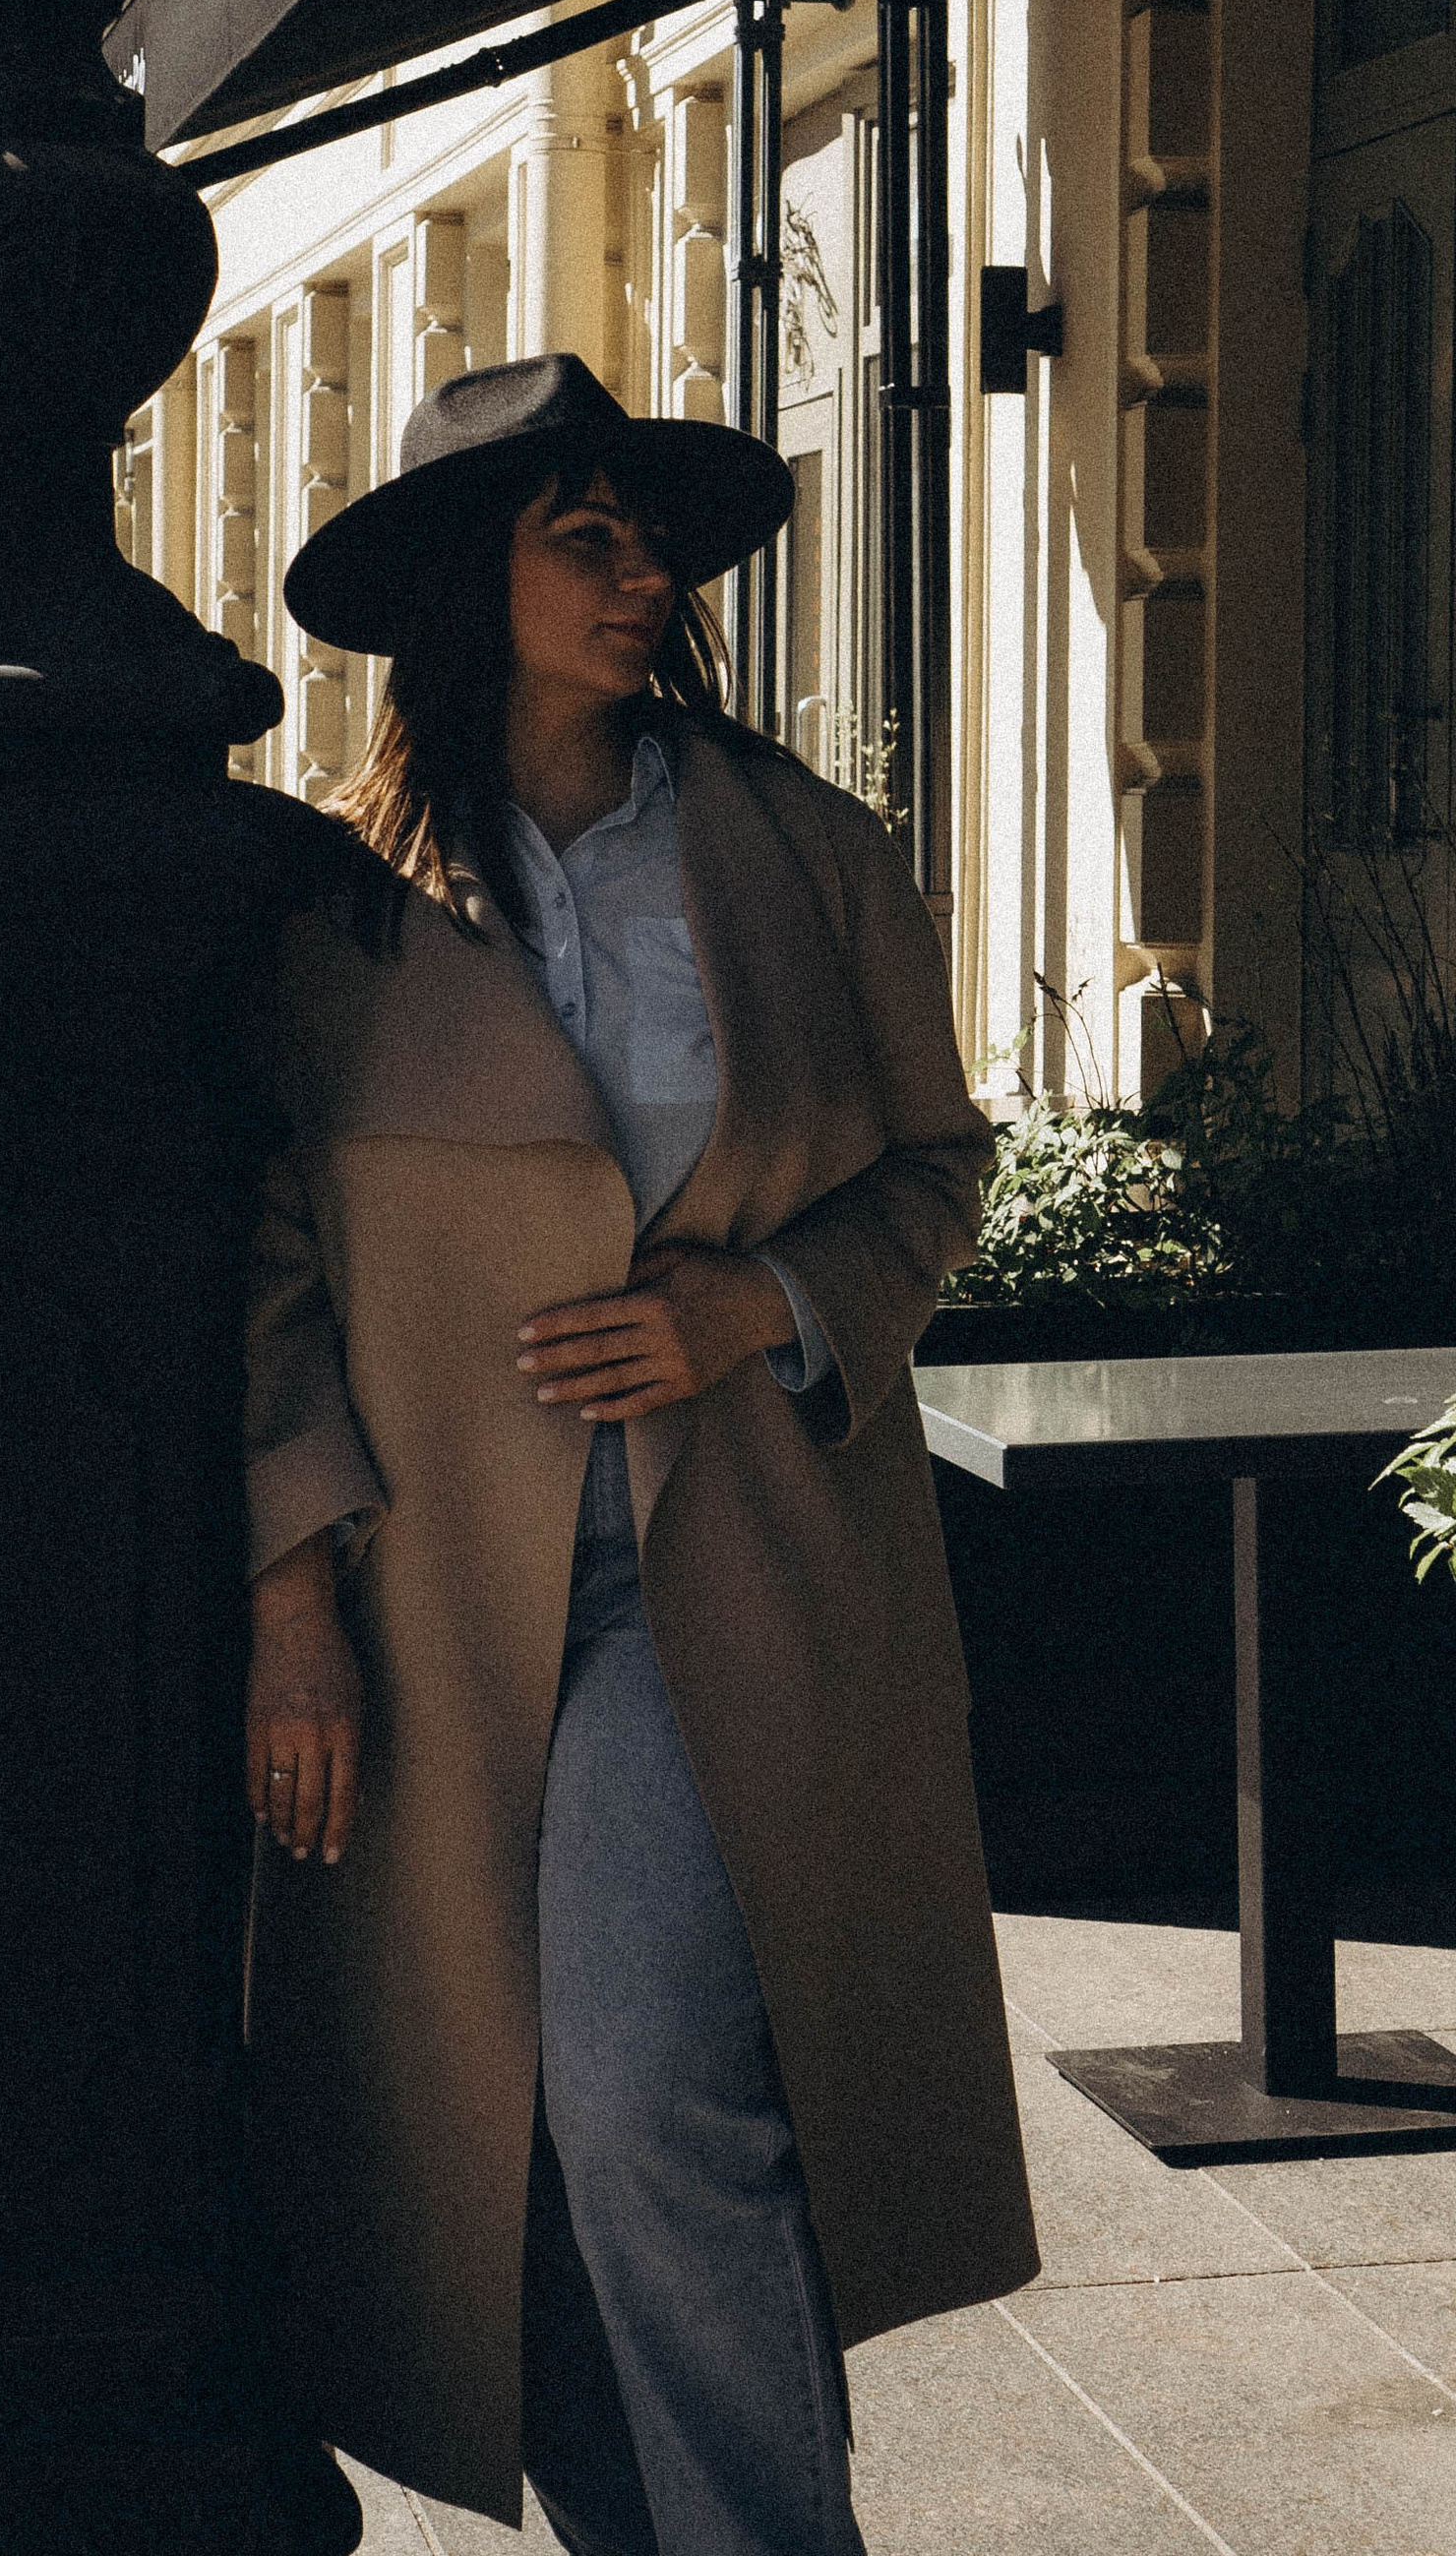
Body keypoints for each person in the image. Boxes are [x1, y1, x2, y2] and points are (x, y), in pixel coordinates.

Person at [240, 351, 1038, 2556]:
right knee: (494, 2158)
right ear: (459, 588)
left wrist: (750, 1311)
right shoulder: (339, 911)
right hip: (440, 1613)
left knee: (653, 2101)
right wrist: (288, 1592)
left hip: (731, 1576)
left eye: (643, 531)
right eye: (575, 532)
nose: (636, 567)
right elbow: (265, 1256)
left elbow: (936, 1171)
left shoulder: (801, 851)